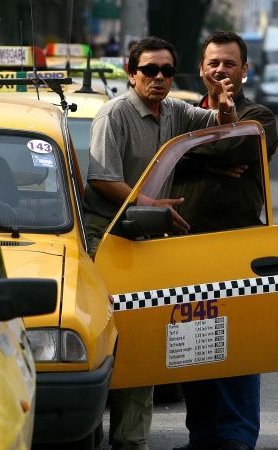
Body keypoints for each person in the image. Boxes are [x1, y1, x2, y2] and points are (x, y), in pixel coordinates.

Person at [82, 36, 237, 450]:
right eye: (149, 70)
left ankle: (131, 441)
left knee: (145, 339)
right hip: (107, 237)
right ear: (131, 74)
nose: (159, 78)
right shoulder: (113, 114)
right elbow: (100, 177)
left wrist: (223, 103)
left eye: (167, 71)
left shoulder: (175, 111)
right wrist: (149, 203)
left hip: (149, 240)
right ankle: (84, 432)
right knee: (102, 338)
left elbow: (218, 129)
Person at [171, 31, 277, 450]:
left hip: (239, 253)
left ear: (245, 70)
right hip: (183, 249)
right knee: (194, 347)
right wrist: (202, 157)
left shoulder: (260, 116)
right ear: (201, 69)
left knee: (237, 347)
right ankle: (203, 438)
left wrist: (187, 154)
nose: (220, 70)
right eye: (213, 63)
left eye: (229, 63)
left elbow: (237, 150)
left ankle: (234, 439)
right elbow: (164, 154)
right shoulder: (183, 116)